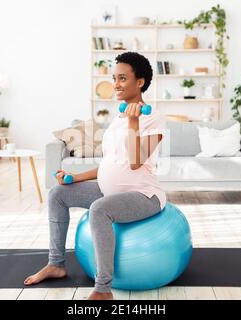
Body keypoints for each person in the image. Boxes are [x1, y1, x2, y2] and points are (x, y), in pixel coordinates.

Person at [24, 52, 167, 300]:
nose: (116, 84)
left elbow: (135, 163)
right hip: (110, 192)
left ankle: (103, 289)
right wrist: (76, 177)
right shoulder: (117, 119)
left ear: (140, 82)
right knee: (57, 194)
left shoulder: (154, 118)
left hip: (144, 196)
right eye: (114, 78)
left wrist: (134, 123)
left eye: (122, 78)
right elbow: (110, 163)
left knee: (100, 209)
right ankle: (56, 264)